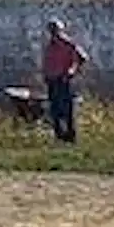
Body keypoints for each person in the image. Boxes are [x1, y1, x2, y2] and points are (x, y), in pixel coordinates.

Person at [41, 17, 88, 145]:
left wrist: (71, 71)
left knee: (67, 110)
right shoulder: (49, 45)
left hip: (63, 79)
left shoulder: (68, 44)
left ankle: (71, 137)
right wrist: (46, 74)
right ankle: (59, 136)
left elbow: (82, 58)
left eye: (55, 30)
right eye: (51, 30)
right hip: (52, 80)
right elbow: (47, 62)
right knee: (54, 110)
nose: (53, 33)